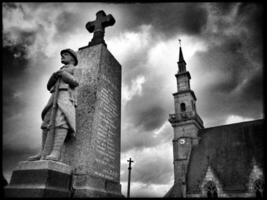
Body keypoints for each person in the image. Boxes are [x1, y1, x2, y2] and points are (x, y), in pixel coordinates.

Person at [28, 48, 79, 161]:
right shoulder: (59, 70)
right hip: (54, 97)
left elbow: (76, 82)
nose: (62, 56)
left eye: (65, 54)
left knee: (61, 121)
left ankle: (56, 152)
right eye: (62, 54)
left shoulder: (75, 69)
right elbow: (48, 86)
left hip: (65, 96)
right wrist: (54, 76)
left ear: (73, 58)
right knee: (46, 122)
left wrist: (64, 75)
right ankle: (43, 152)